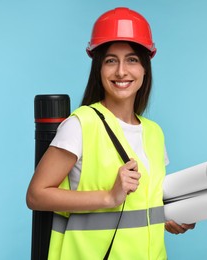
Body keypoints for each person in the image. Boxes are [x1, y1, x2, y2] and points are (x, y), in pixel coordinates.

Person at [26, 7, 195, 259]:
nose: (121, 71)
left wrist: (169, 217)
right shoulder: (81, 124)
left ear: (145, 68)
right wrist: (108, 196)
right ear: (99, 69)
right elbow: (36, 196)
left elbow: (141, 208)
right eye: (111, 60)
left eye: (132, 59)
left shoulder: (154, 133)